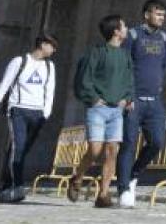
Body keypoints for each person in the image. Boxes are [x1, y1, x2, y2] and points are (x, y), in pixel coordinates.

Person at [67, 15, 133, 208]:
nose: (127, 29)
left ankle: (103, 195)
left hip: (116, 110)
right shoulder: (95, 52)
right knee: (95, 150)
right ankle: (77, 177)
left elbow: (130, 81)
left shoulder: (125, 55)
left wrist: (127, 98)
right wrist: (94, 99)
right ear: (116, 31)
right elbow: (83, 78)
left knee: (112, 151)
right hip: (98, 109)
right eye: (124, 26)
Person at [0, 33, 59, 203]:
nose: (54, 50)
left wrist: (45, 113)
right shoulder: (19, 62)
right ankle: (18, 186)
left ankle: (5, 188)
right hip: (18, 110)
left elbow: (50, 90)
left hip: (37, 114)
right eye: (51, 46)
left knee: (20, 151)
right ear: (42, 44)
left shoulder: (50, 66)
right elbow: (3, 86)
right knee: (18, 148)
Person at [116, 0, 166, 208]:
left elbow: (165, 64)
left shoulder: (164, 38)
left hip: (154, 101)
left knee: (157, 142)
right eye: (158, 14)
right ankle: (123, 189)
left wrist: (156, 85)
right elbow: (123, 65)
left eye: (163, 15)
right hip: (133, 100)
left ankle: (133, 174)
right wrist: (127, 95)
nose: (161, 18)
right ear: (146, 14)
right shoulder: (133, 35)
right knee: (128, 143)